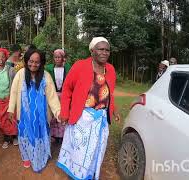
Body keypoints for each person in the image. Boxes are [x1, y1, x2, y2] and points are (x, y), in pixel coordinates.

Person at [57, 37, 120, 180]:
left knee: (95, 152)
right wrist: (65, 112)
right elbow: (67, 89)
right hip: (82, 119)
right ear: (92, 51)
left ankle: (89, 175)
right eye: (100, 49)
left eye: (107, 50)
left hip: (100, 120)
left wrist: (113, 109)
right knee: (79, 154)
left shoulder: (110, 69)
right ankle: (75, 175)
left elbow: (110, 92)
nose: (104, 52)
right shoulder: (80, 66)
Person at [8, 49, 61, 172]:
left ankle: (40, 157)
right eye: (31, 61)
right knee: (25, 135)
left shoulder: (46, 76)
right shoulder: (20, 74)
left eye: (37, 62)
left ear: (41, 63)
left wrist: (58, 113)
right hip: (25, 115)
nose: (34, 64)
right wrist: (11, 109)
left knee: (40, 135)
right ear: (26, 61)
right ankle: (26, 156)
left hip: (41, 116)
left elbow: (52, 97)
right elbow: (14, 92)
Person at [0, 48, 18, 149]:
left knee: (11, 118)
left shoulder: (11, 70)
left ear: (6, 58)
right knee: (1, 120)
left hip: (9, 99)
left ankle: (14, 137)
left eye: (3, 56)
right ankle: (6, 138)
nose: (1, 58)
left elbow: (15, 83)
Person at [45, 49, 71, 144]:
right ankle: (54, 135)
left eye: (59, 57)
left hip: (64, 96)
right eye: (55, 57)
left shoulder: (67, 68)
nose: (57, 59)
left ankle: (62, 135)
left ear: (63, 58)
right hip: (53, 96)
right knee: (53, 115)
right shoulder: (49, 68)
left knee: (62, 114)